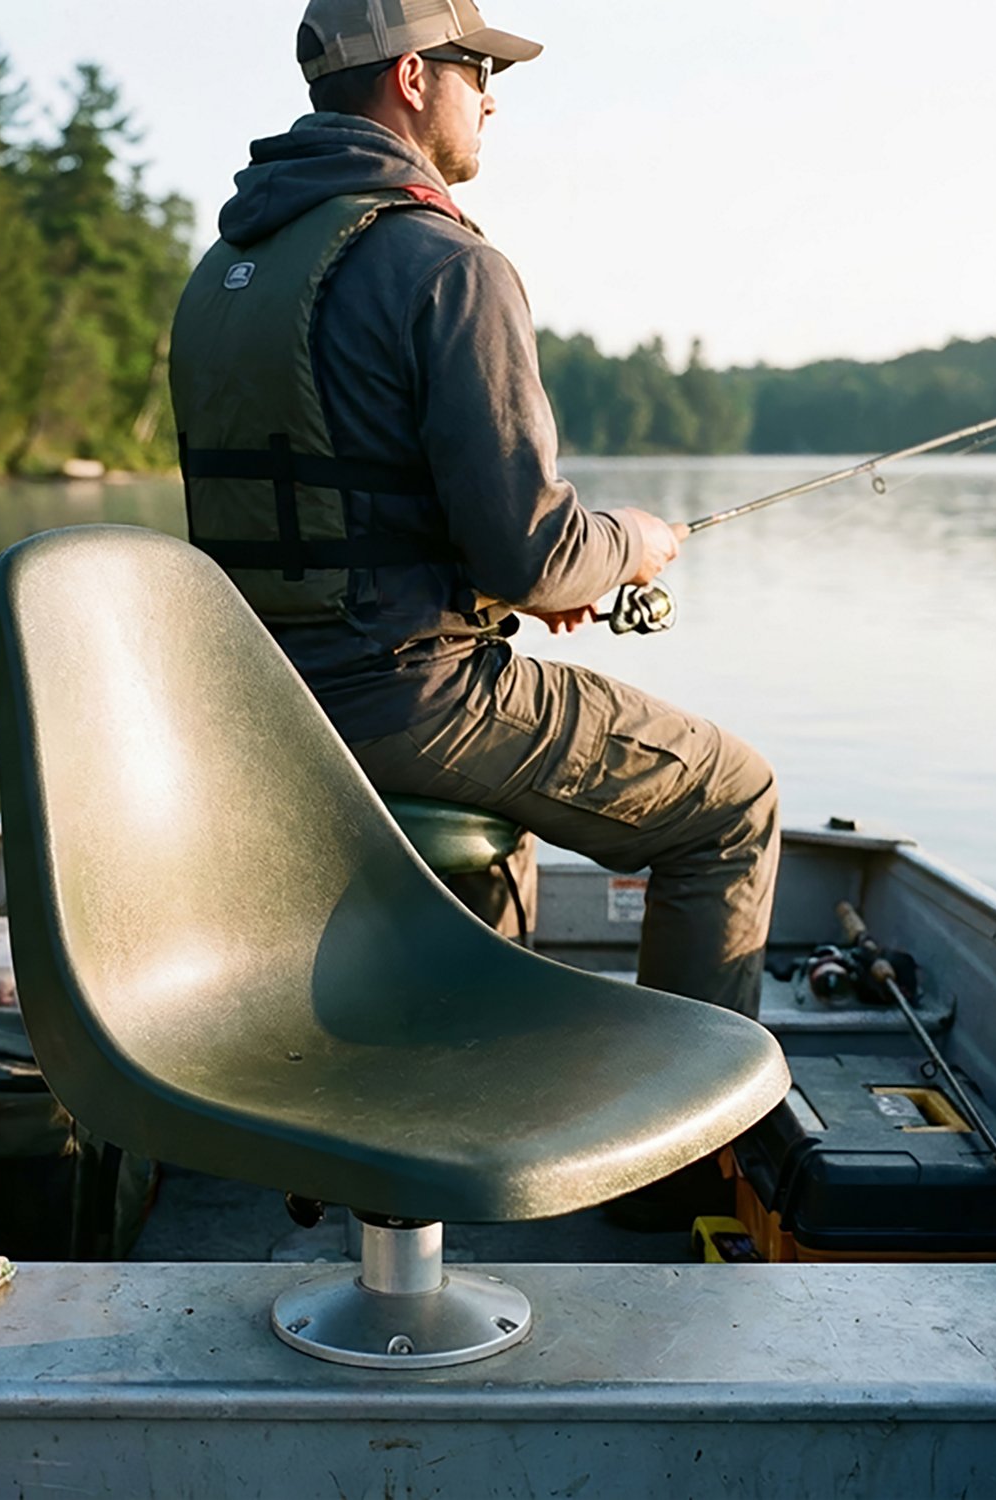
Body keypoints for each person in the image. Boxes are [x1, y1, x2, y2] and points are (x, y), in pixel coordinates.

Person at [169, 0, 778, 1018]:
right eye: (477, 73)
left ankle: (467, 1047)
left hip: (251, 704)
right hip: (405, 702)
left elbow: (346, 511)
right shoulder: (449, 265)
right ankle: (705, 1119)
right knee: (732, 800)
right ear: (413, 77)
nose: (491, 102)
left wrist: (507, 588)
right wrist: (634, 544)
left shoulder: (226, 276)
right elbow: (534, 552)